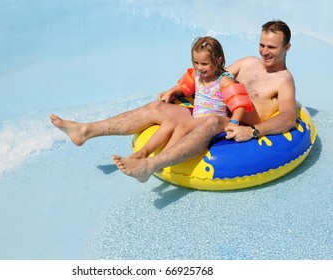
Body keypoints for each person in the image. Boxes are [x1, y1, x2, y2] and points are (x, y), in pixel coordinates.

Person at [50, 20, 296, 183]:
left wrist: (252, 131)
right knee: (158, 107)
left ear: (287, 47)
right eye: (262, 44)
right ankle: (85, 130)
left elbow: (288, 118)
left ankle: (151, 165)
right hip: (207, 111)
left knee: (212, 120)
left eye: (271, 47)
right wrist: (176, 91)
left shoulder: (284, 81)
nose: (264, 51)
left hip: (230, 122)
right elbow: (210, 77)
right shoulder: (248, 62)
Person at [131, 36, 252, 159]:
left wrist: (233, 123)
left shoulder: (224, 81)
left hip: (212, 121)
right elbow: (184, 86)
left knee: (182, 128)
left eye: (204, 64)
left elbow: (239, 104)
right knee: (169, 123)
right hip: (197, 117)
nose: (199, 67)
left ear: (219, 61)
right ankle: (143, 152)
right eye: (196, 62)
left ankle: (161, 159)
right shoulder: (197, 75)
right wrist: (170, 92)